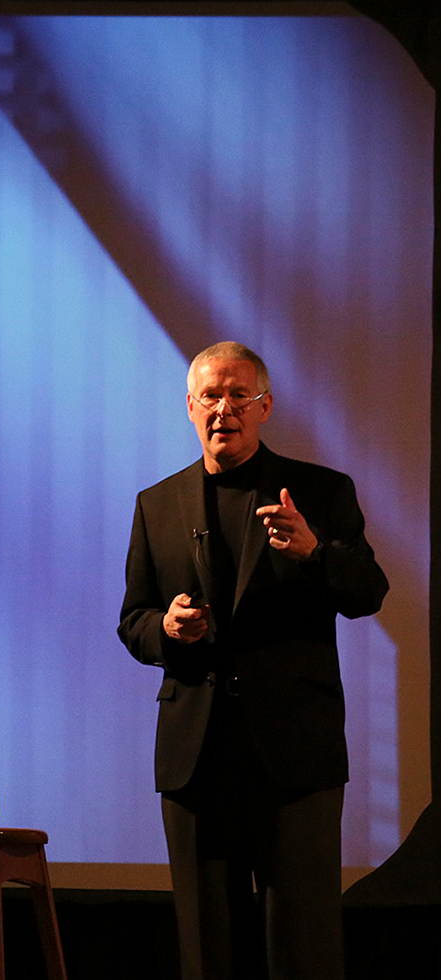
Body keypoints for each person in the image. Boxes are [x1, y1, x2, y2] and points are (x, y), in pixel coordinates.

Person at [118, 341, 388, 980]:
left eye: (239, 395)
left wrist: (315, 552)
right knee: (209, 948)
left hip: (295, 754)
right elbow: (133, 621)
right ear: (189, 407)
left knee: (303, 945)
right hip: (197, 758)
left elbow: (369, 593)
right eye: (210, 395)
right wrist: (169, 628)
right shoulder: (156, 506)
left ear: (264, 406)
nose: (223, 409)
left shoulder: (320, 492)